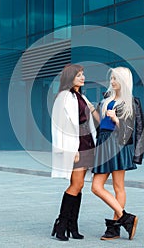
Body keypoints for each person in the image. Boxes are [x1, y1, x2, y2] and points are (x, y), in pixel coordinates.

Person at [91, 66, 144, 241]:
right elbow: (101, 124)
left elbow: (132, 130)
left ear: (123, 81)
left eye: (115, 79)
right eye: (111, 78)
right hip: (103, 143)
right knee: (96, 187)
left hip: (117, 144)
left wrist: (116, 120)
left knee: (118, 187)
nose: (112, 82)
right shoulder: (107, 98)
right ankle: (126, 218)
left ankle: (114, 228)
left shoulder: (132, 102)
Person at [51, 64, 97, 241]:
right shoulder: (64, 97)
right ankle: (62, 224)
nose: (83, 77)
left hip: (87, 143)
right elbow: (61, 126)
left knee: (79, 184)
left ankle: (72, 225)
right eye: (79, 75)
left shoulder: (81, 96)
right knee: (76, 184)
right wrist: (72, 149)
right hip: (76, 144)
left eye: (83, 74)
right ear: (70, 78)